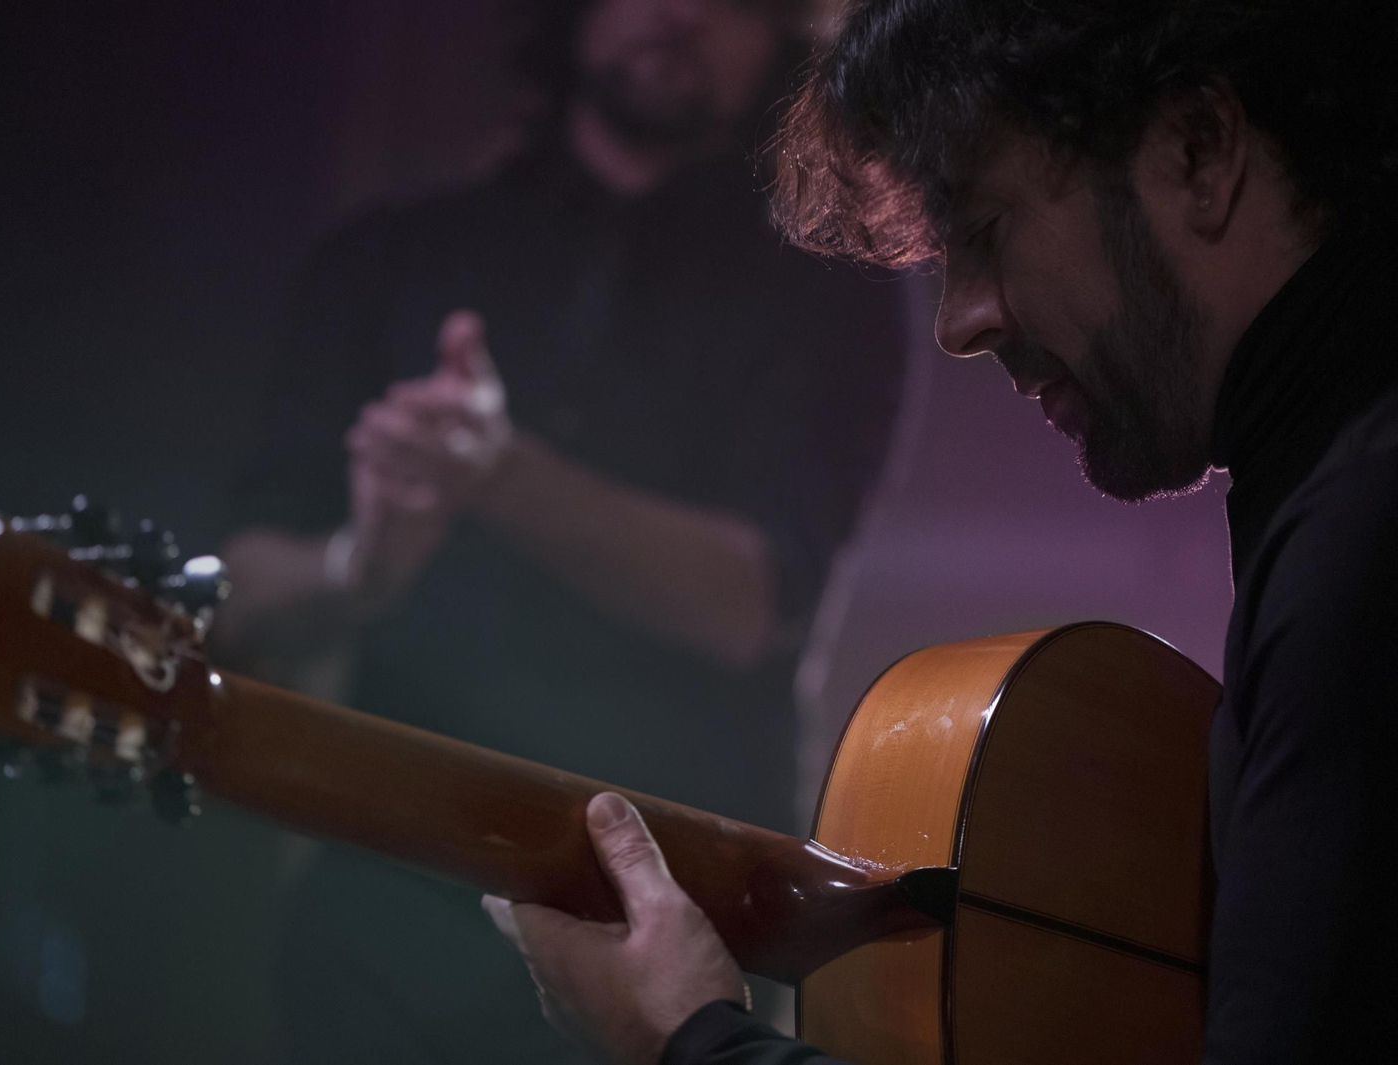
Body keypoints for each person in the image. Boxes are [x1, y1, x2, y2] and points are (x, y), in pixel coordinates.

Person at [484, 1, 1398, 1063]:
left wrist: (691, 1041)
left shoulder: (1361, 545)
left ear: (1198, 150)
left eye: (983, 233)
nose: (960, 323)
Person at [218, 1, 907, 1061]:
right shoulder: (387, 257)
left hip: (679, 939)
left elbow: (752, 605)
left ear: (785, 32)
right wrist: (358, 567)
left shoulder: (828, 294)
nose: (679, 14)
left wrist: (498, 476)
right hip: (385, 925)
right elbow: (242, 591)